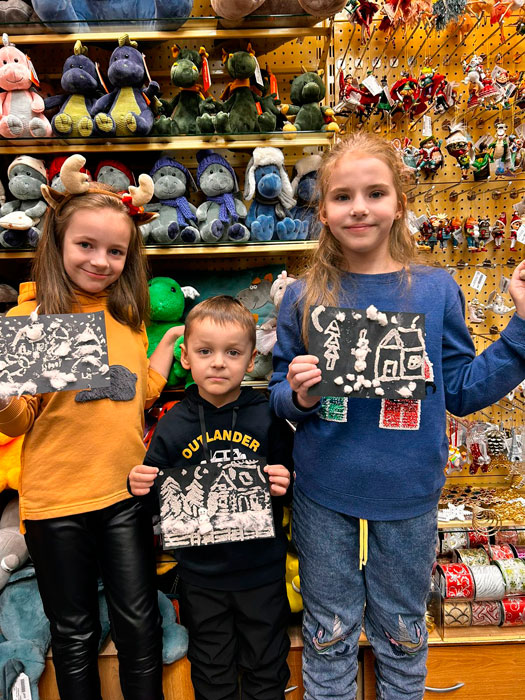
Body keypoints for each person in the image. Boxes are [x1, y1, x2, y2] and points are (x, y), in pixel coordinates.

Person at [268, 132, 525, 700]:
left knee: (404, 634)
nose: (359, 208)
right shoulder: (304, 295)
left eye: (375, 193)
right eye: (342, 197)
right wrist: (300, 395)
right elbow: (279, 397)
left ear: (399, 204)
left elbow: (462, 390)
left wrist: (521, 332)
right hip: (324, 490)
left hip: (409, 491)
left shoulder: (435, 289)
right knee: (329, 632)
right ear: (324, 211)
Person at [0, 155, 183, 700]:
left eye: (116, 251)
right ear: (58, 243)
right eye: (86, 245)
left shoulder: (128, 319)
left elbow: (134, 396)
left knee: (139, 627)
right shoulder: (32, 321)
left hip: (123, 494)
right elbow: (22, 418)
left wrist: (167, 347)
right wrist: (4, 399)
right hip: (55, 502)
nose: (101, 261)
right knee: (74, 634)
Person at [129, 295, 293, 700]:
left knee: (267, 669)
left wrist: (286, 480)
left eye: (232, 352)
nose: (218, 363)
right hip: (201, 579)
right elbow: (155, 503)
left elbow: (294, 480)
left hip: (261, 573)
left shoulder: (268, 416)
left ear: (251, 359)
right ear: (185, 357)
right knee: (211, 672)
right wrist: (140, 487)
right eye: (205, 351)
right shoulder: (172, 424)